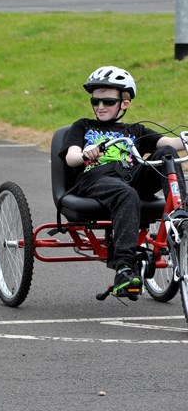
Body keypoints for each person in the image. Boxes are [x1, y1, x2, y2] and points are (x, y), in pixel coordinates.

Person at [63, 65, 186, 298]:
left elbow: (169, 143)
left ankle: (181, 211)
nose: (100, 107)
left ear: (124, 103)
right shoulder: (83, 126)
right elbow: (70, 158)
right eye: (95, 102)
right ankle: (124, 269)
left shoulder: (135, 130)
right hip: (97, 178)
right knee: (126, 194)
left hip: (132, 177)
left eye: (107, 102)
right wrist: (85, 154)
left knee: (167, 152)